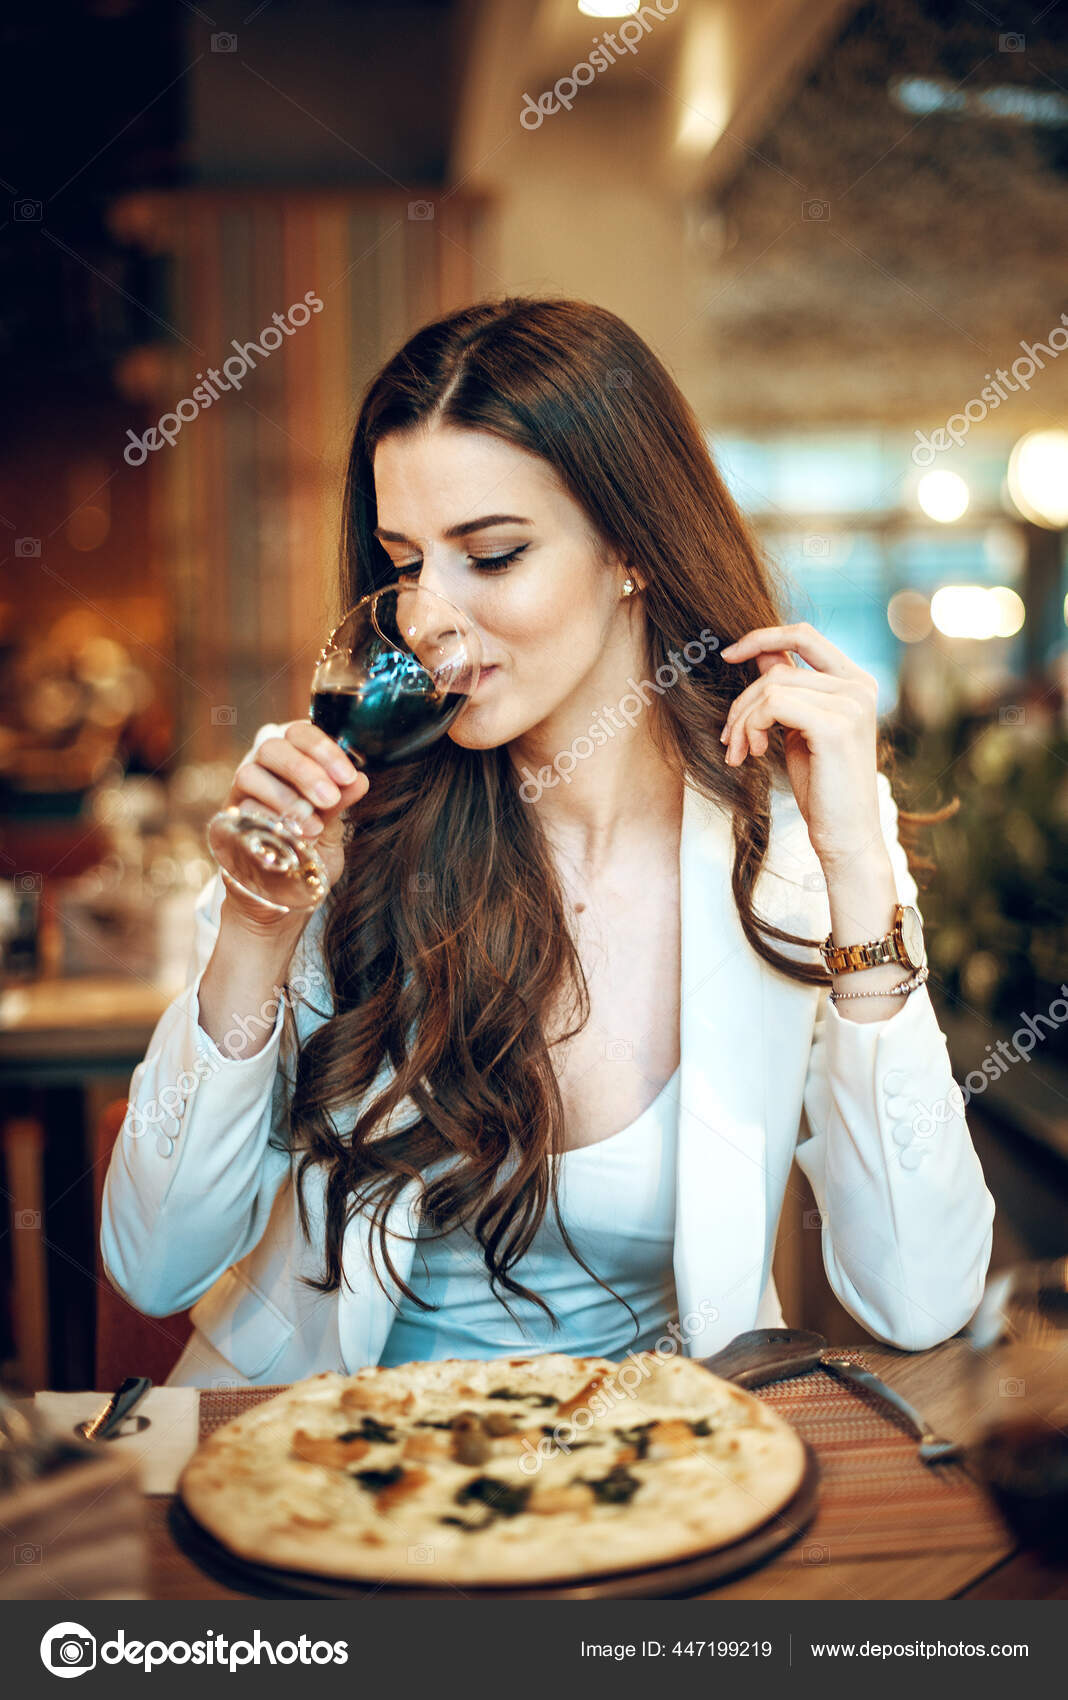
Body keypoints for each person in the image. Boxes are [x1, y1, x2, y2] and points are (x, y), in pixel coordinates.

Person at [100, 298, 995, 1387]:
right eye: (405, 561)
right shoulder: (341, 819)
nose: (428, 616)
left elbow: (918, 1293)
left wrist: (856, 861)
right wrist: (251, 926)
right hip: (319, 1463)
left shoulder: (799, 856)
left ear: (632, 546)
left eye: (493, 553)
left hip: (640, 1486)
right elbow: (151, 1264)